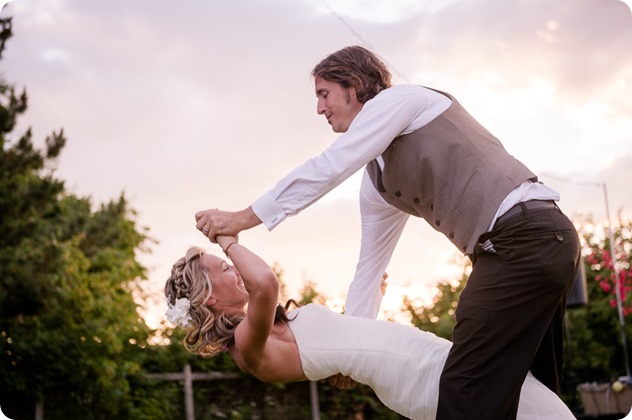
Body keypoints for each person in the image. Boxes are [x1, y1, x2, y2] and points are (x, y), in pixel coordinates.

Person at [194, 46, 581, 418]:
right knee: (530, 388)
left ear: (354, 84)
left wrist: (243, 218)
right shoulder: (377, 182)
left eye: (324, 94)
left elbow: (331, 166)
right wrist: (347, 350)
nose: (319, 108)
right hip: (526, 249)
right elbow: (369, 266)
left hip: (526, 236)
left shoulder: (402, 102)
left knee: (464, 384)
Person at [164, 238, 576, 420]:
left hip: (421, 361)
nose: (232, 265)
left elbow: (352, 342)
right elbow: (267, 282)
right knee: (540, 411)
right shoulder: (244, 346)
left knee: (540, 408)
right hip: (419, 377)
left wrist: (371, 300)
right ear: (208, 300)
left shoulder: (272, 326)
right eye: (222, 268)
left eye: (228, 260)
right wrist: (227, 237)